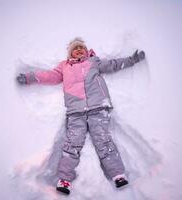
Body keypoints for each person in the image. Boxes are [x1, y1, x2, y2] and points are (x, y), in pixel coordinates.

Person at [16, 37, 145, 195]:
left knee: (103, 141)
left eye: (81, 48)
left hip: (98, 107)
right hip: (76, 112)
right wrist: (30, 78)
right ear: (70, 53)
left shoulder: (93, 62)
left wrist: (132, 60)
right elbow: (48, 76)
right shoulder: (64, 67)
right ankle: (65, 180)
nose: (78, 50)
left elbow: (113, 65)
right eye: (75, 49)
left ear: (85, 51)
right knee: (72, 144)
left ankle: (118, 174)